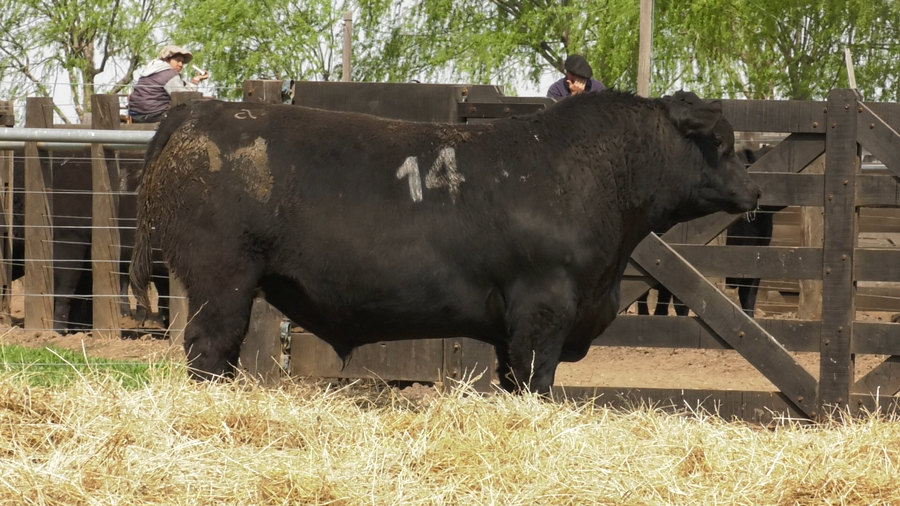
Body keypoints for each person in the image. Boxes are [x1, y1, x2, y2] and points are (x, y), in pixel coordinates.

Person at [128, 45, 209, 123]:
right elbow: (184, 96)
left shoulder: (150, 70)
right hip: (154, 115)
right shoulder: (169, 73)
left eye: (182, 62)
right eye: (178, 60)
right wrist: (195, 80)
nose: (181, 65)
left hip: (135, 115)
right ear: (166, 59)